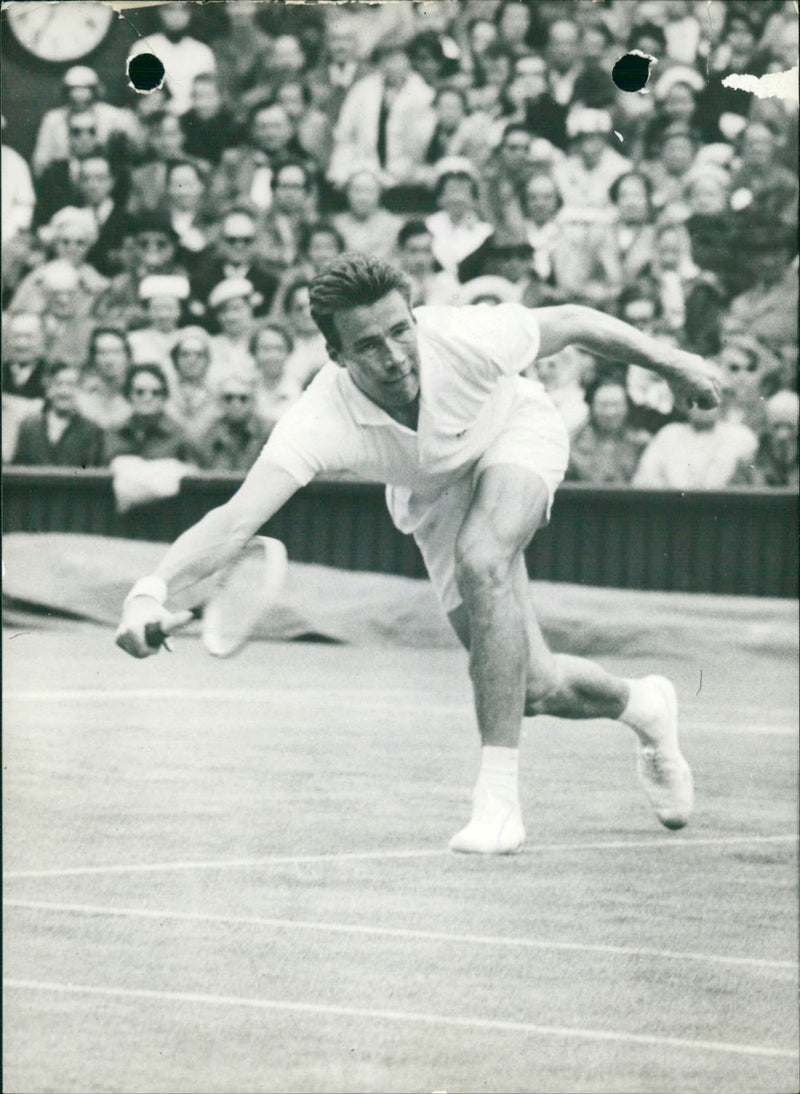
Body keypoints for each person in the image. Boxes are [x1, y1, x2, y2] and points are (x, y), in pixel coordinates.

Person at [116, 252, 721, 854]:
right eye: (369, 345)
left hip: (514, 432)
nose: (395, 356)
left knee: (483, 559)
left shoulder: (462, 337)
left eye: (400, 330)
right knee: (532, 688)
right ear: (336, 355)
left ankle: (498, 804)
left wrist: (675, 362)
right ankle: (645, 705)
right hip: (434, 494)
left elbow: (574, 321)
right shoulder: (320, 418)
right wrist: (149, 592)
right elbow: (234, 521)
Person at [11, 361, 104, 467]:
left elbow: (92, 471)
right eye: (58, 384)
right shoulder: (29, 427)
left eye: (71, 385)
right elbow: (18, 468)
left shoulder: (91, 430)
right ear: (48, 389)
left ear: (80, 390)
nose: (64, 391)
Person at [195, 371, 272, 472]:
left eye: (243, 398)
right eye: (229, 398)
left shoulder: (269, 434)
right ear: (219, 402)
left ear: (254, 402)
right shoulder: (207, 436)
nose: (236, 404)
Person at [729, 390, 798, 489]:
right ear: (767, 426)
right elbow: (734, 494)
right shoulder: (748, 464)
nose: (783, 435)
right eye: (777, 426)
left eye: (789, 426)